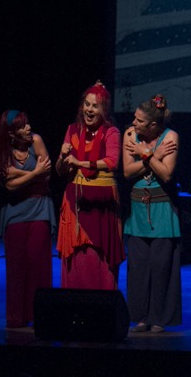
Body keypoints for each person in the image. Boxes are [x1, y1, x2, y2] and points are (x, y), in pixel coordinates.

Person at [55, 81, 125, 289]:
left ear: (104, 110)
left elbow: (112, 162)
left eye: (95, 106)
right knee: (76, 257)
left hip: (102, 202)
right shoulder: (72, 131)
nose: (89, 110)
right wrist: (63, 157)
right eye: (87, 104)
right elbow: (60, 170)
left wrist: (80, 163)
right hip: (75, 200)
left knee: (100, 255)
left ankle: (102, 302)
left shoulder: (111, 132)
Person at [122, 94, 181, 333]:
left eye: (139, 120)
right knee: (139, 266)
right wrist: (154, 156)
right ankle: (141, 317)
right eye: (134, 119)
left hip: (162, 209)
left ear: (153, 125)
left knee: (161, 265)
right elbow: (127, 172)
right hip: (138, 209)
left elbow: (166, 174)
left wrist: (144, 153)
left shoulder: (171, 136)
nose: (133, 123)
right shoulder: (130, 135)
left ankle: (159, 317)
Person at [0, 109, 55, 328]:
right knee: (16, 267)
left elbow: (46, 176)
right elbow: (9, 186)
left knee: (38, 263)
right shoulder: (3, 151)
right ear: (11, 134)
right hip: (15, 213)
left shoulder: (36, 141)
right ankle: (16, 317)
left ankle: (41, 316)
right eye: (22, 126)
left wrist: (19, 174)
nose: (28, 128)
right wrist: (33, 173)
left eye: (27, 123)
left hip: (39, 209)